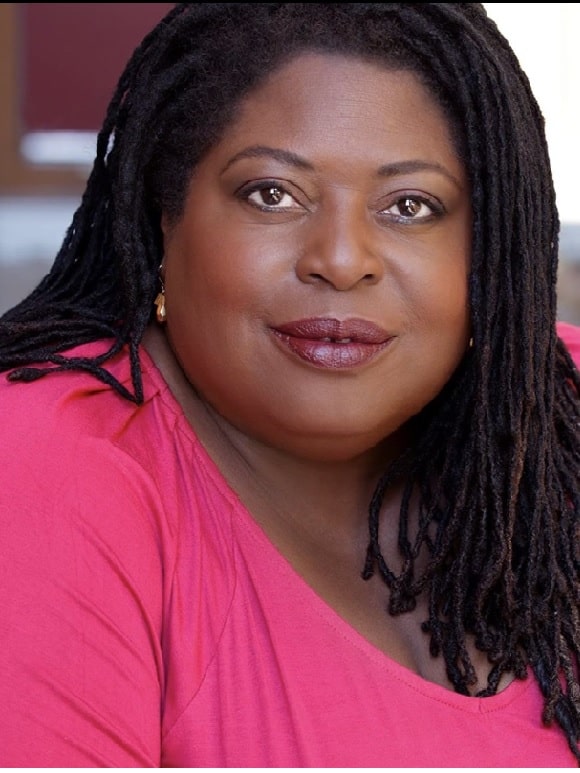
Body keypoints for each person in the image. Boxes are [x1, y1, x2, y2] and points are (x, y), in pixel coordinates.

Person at [1, 2, 579, 766]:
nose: (340, 259)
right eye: (272, 193)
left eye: (410, 206)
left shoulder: (556, 413)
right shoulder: (50, 466)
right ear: (164, 212)